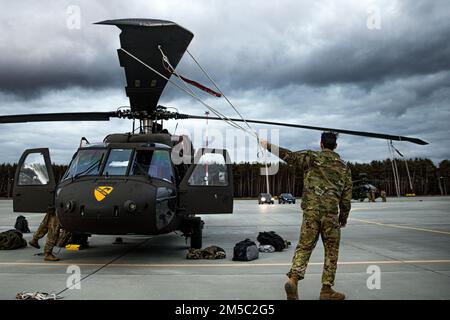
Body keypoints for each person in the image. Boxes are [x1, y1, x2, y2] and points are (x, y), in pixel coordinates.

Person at [260, 132, 352, 300]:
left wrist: (267, 145)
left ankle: (293, 280)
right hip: (331, 215)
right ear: (335, 146)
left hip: (311, 213)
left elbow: (289, 155)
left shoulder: (311, 157)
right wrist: (343, 217)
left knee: (304, 247)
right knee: (331, 252)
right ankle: (326, 289)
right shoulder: (344, 167)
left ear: (321, 144)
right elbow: (346, 198)